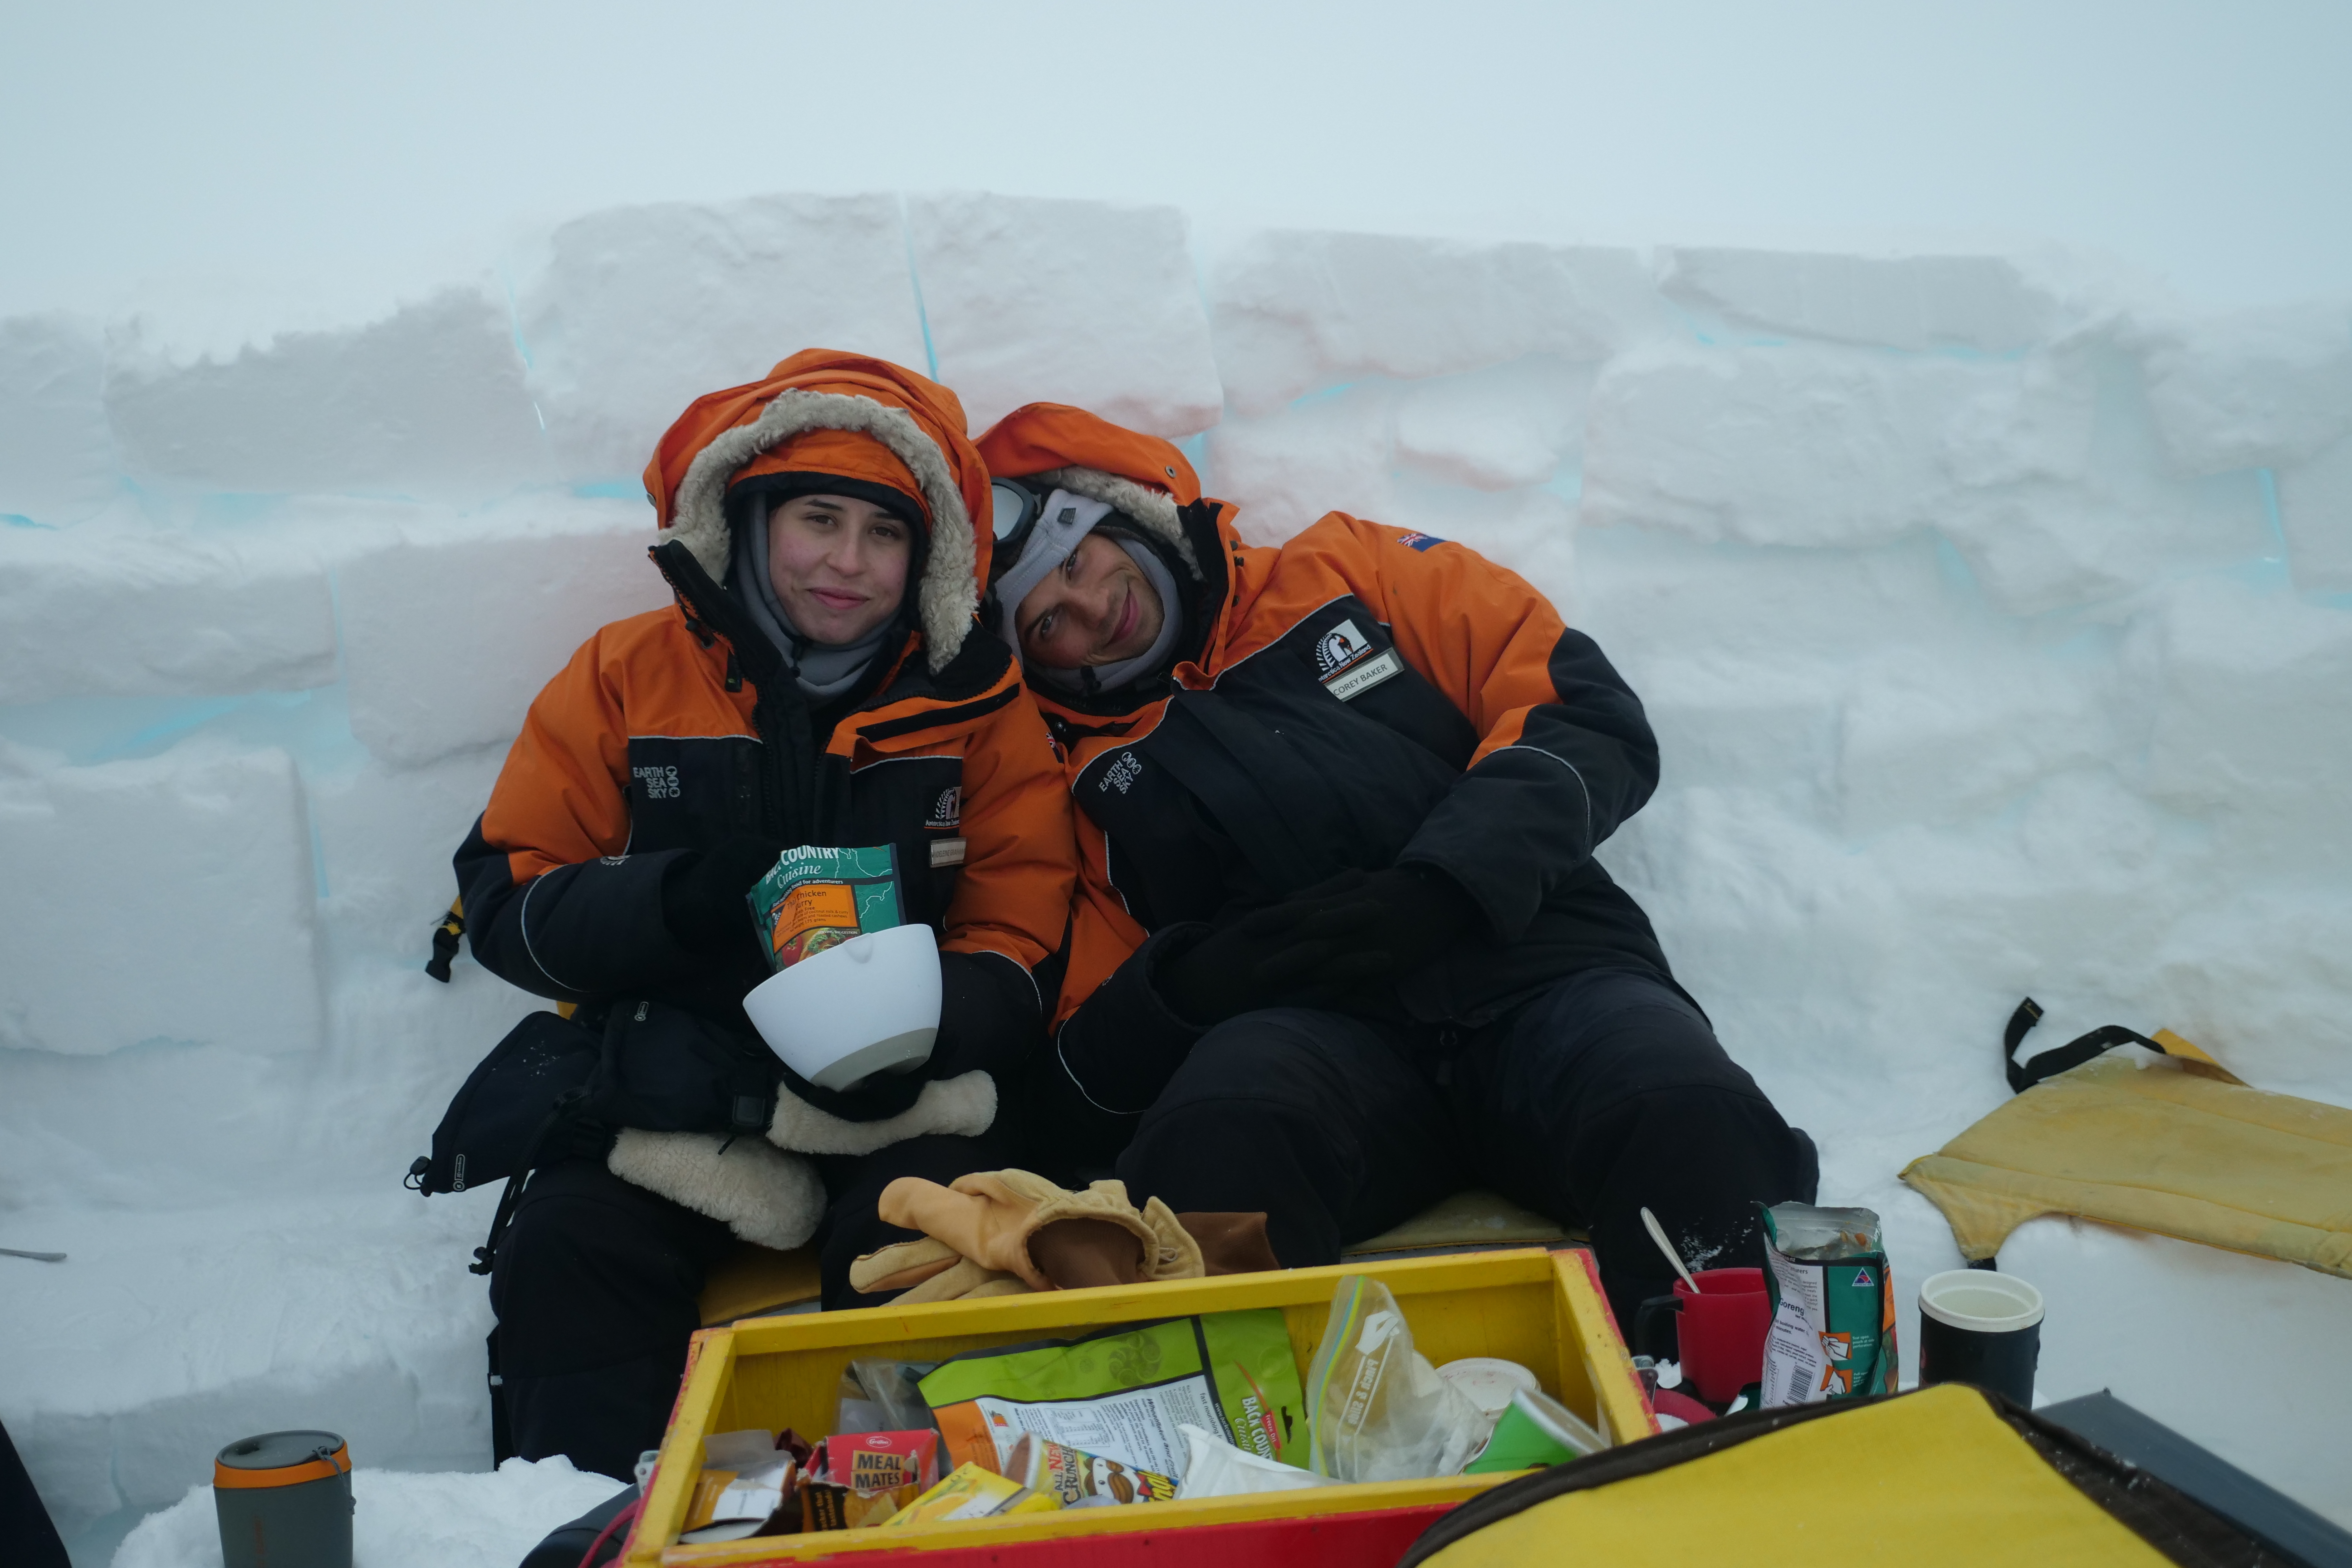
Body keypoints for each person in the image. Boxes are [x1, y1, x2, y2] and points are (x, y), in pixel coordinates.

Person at [975, 402, 1818, 1333]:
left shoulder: (1347, 571)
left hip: (1547, 972)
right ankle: (1245, 1428)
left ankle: (1732, 1406)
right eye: (1048, 620)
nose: (1093, 610)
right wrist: (1189, 988)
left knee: (1685, 1105)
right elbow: (1074, 1075)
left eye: (1079, 560)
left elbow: (1578, 710)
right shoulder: (1077, 779)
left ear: (1120, 515)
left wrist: (1445, 887)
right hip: (1317, 1044)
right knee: (1215, 1143)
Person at [447, 351, 1075, 1479]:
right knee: (569, 1251)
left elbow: (1025, 923)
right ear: (747, 520)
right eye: (818, 520)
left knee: (928, 1248)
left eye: (884, 534)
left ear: (927, 558)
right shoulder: (625, 677)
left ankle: (934, 1528)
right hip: (677, 1093)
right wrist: (675, 900)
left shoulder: (979, 707)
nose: (848, 563)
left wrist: (941, 1027)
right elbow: (509, 901)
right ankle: (591, 1532)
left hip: (901, 1096)